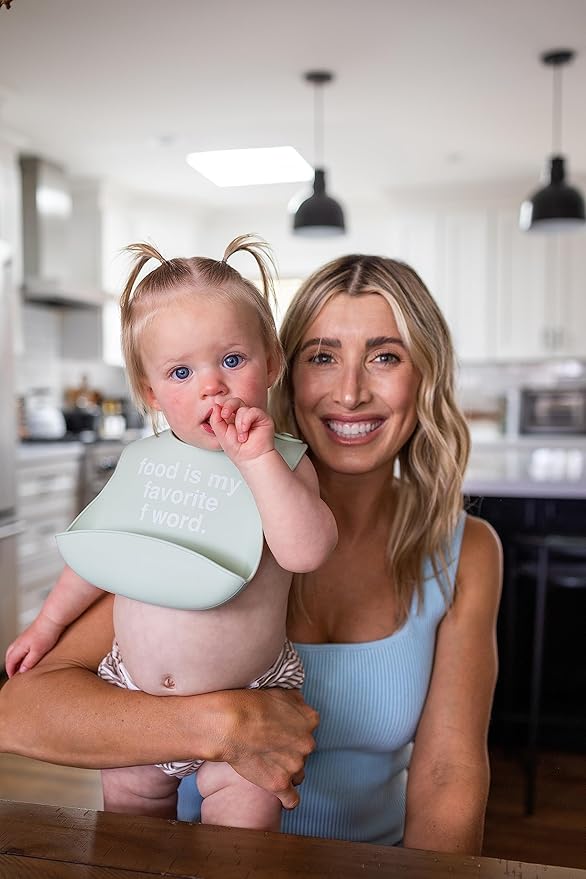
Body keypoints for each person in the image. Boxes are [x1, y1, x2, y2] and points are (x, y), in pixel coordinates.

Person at [0, 251, 502, 855]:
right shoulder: (195, 507)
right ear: (288, 369)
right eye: (322, 357)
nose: (350, 392)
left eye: (385, 356)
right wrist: (225, 725)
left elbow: (449, 774)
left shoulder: (467, 549)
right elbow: (20, 712)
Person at [3, 235, 337, 831]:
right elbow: (100, 552)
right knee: (130, 841)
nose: (212, 386)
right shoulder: (143, 463)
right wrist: (47, 625)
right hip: (131, 697)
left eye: (232, 360)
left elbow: (306, 551)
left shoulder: (283, 462)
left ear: (272, 362)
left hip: (250, 696)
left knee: (239, 849)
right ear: (151, 392)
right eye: (182, 372)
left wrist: (257, 461)